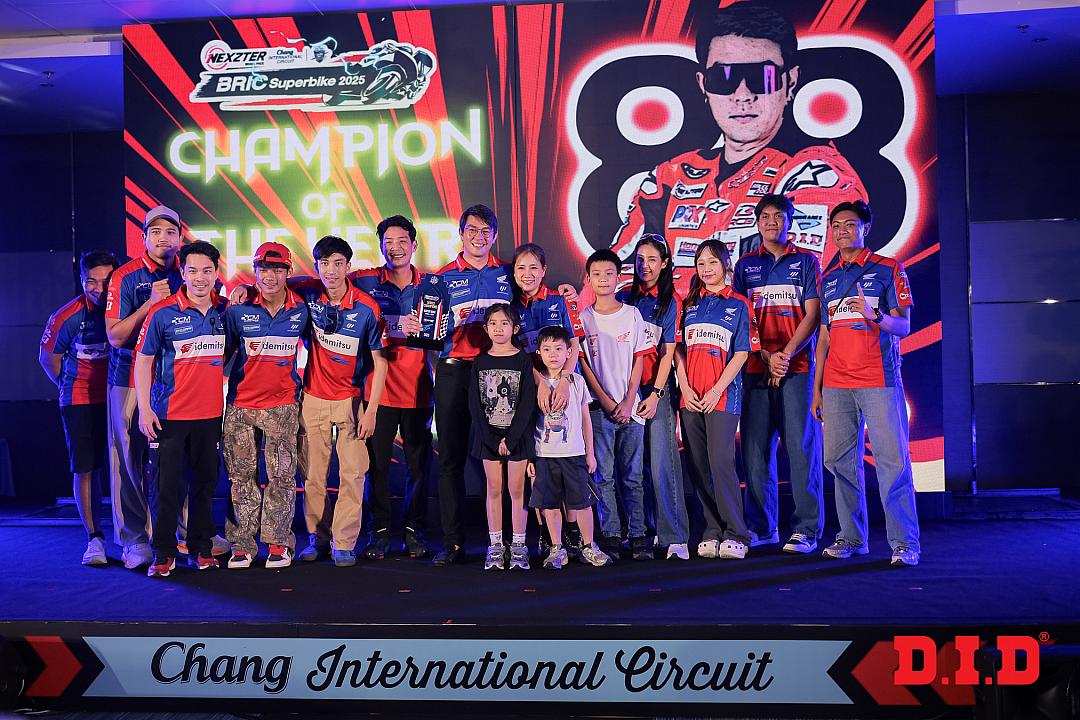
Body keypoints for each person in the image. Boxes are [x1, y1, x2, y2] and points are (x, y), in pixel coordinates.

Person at [611, 2, 866, 296]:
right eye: (724, 78)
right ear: (703, 84)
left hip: (754, 326)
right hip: (676, 325)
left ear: (790, 82)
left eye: (762, 77)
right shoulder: (670, 175)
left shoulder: (817, 171)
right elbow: (611, 276)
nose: (743, 95)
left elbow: (789, 284)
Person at [811, 200, 920, 567]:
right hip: (836, 385)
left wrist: (875, 316)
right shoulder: (828, 279)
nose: (842, 231)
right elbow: (824, 338)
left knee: (892, 463)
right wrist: (817, 389)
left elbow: (903, 326)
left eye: (850, 224)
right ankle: (852, 538)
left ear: (865, 228)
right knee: (838, 462)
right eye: (836, 225)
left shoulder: (889, 268)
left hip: (879, 381)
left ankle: (904, 543)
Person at [411, 204, 514, 566]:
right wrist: (440, 340)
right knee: (450, 460)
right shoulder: (440, 278)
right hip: (454, 372)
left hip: (498, 373)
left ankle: (504, 543)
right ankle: (453, 544)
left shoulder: (508, 273)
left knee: (503, 459)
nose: (478, 237)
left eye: (486, 231)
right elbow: (427, 335)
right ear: (461, 233)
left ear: (494, 235)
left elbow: (534, 300)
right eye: (472, 230)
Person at [733, 194, 824, 554]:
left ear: (790, 221)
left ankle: (807, 529)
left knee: (802, 450)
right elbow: (741, 318)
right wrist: (766, 356)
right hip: (756, 368)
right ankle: (762, 527)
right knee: (755, 452)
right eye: (765, 217)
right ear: (757, 223)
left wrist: (784, 355)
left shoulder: (806, 261)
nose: (772, 222)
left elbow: (813, 315)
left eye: (779, 217)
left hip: (796, 368)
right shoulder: (744, 266)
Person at [293, 235, 388, 568]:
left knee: (353, 474)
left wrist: (371, 409)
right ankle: (317, 539)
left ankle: (344, 543)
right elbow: (277, 281)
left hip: (352, 400)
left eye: (337, 264)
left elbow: (380, 362)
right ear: (316, 266)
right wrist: (245, 290)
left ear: (348, 266)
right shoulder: (309, 294)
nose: (330, 271)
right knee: (312, 476)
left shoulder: (366, 307)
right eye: (324, 264)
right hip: (313, 397)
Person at [135, 241, 228, 577]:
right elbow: (143, 361)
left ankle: (201, 549)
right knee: (166, 488)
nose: (200, 278)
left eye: (207, 271)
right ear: (183, 273)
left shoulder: (225, 310)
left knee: (204, 485)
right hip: (169, 417)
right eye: (193, 271)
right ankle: (163, 553)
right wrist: (144, 408)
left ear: (216, 273)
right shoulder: (162, 312)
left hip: (210, 415)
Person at [104, 205, 184, 569]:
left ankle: (181, 532)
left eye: (170, 232)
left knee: (176, 455)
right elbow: (115, 336)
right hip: (128, 379)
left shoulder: (189, 270)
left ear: (180, 237)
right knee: (128, 458)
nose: (163, 238)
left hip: (175, 379)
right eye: (156, 232)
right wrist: (149, 305)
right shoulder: (125, 276)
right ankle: (134, 539)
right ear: (144, 237)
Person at [350, 216, 434, 561]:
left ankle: (415, 532)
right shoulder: (365, 280)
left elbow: (446, 329)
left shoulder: (431, 285)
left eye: (402, 241)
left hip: (418, 391)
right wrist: (250, 290)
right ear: (381, 246)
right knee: (377, 468)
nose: (395, 248)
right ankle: (379, 532)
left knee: (418, 469)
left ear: (414, 245)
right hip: (377, 393)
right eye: (388, 242)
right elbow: (321, 280)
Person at [221, 242, 308, 570]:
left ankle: (278, 542)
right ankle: (242, 543)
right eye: (263, 270)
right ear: (254, 271)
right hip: (241, 405)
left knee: (282, 477)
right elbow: (224, 353)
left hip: (283, 405)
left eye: (277, 270)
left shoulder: (302, 309)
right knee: (240, 476)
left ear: (288, 272)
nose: (269, 277)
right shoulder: (237, 309)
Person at [675, 239, 758, 560]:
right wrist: (684, 386)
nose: (706, 269)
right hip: (690, 399)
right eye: (700, 263)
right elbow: (678, 350)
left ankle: (736, 532)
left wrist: (716, 390)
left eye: (712, 262)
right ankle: (711, 530)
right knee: (697, 465)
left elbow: (742, 353)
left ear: (726, 265)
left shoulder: (739, 304)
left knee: (721, 462)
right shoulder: (688, 304)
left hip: (722, 398)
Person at [508, 242, 586, 558]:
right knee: (538, 466)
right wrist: (540, 383)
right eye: (520, 268)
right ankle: (545, 533)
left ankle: (573, 530)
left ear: (544, 271)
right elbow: (517, 354)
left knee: (566, 461)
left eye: (533, 268)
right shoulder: (510, 307)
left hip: (562, 390)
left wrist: (564, 380)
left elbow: (575, 345)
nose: (527, 274)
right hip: (530, 391)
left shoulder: (560, 300)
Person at [39, 252, 118, 566]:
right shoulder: (67, 316)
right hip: (80, 399)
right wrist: (68, 385)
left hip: (117, 397)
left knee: (129, 468)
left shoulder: (125, 310)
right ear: (82, 281)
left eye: (105, 282)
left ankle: (136, 537)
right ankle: (94, 539)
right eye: (91, 282)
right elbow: (48, 359)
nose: (98, 289)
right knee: (86, 468)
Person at [578, 249, 651, 562]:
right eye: (596, 274)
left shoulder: (632, 314)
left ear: (619, 277)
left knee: (633, 477)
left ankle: (638, 535)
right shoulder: (584, 318)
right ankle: (610, 535)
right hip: (599, 409)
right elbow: (584, 365)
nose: (603, 280)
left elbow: (640, 358)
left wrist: (629, 399)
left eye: (609, 274)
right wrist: (608, 402)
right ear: (588, 279)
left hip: (631, 409)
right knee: (603, 476)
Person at [619, 234, 689, 561]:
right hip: (626, 391)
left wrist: (657, 394)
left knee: (663, 463)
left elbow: (668, 353)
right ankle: (643, 530)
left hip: (656, 390)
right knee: (634, 466)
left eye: (652, 260)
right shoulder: (624, 297)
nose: (645, 266)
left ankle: (675, 536)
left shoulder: (670, 301)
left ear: (664, 264)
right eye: (640, 259)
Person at [527, 326, 612, 569]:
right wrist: (530, 458)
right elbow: (529, 421)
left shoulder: (577, 381)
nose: (553, 354)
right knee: (550, 504)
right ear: (539, 353)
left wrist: (590, 453)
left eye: (558, 348)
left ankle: (589, 545)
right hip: (544, 454)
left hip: (574, 453)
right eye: (547, 349)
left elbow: (585, 418)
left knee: (582, 502)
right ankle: (556, 547)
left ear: (569, 352)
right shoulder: (536, 383)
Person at [468, 304, 537, 570]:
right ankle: (496, 545)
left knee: (517, 490)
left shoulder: (523, 360)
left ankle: (518, 545)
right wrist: (491, 439)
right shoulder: (480, 362)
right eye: (493, 324)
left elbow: (527, 402)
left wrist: (512, 438)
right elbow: (475, 404)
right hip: (489, 438)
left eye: (505, 323)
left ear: (515, 328)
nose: (499, 328)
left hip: (517, 438)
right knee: (494, 489)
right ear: (486, 329)